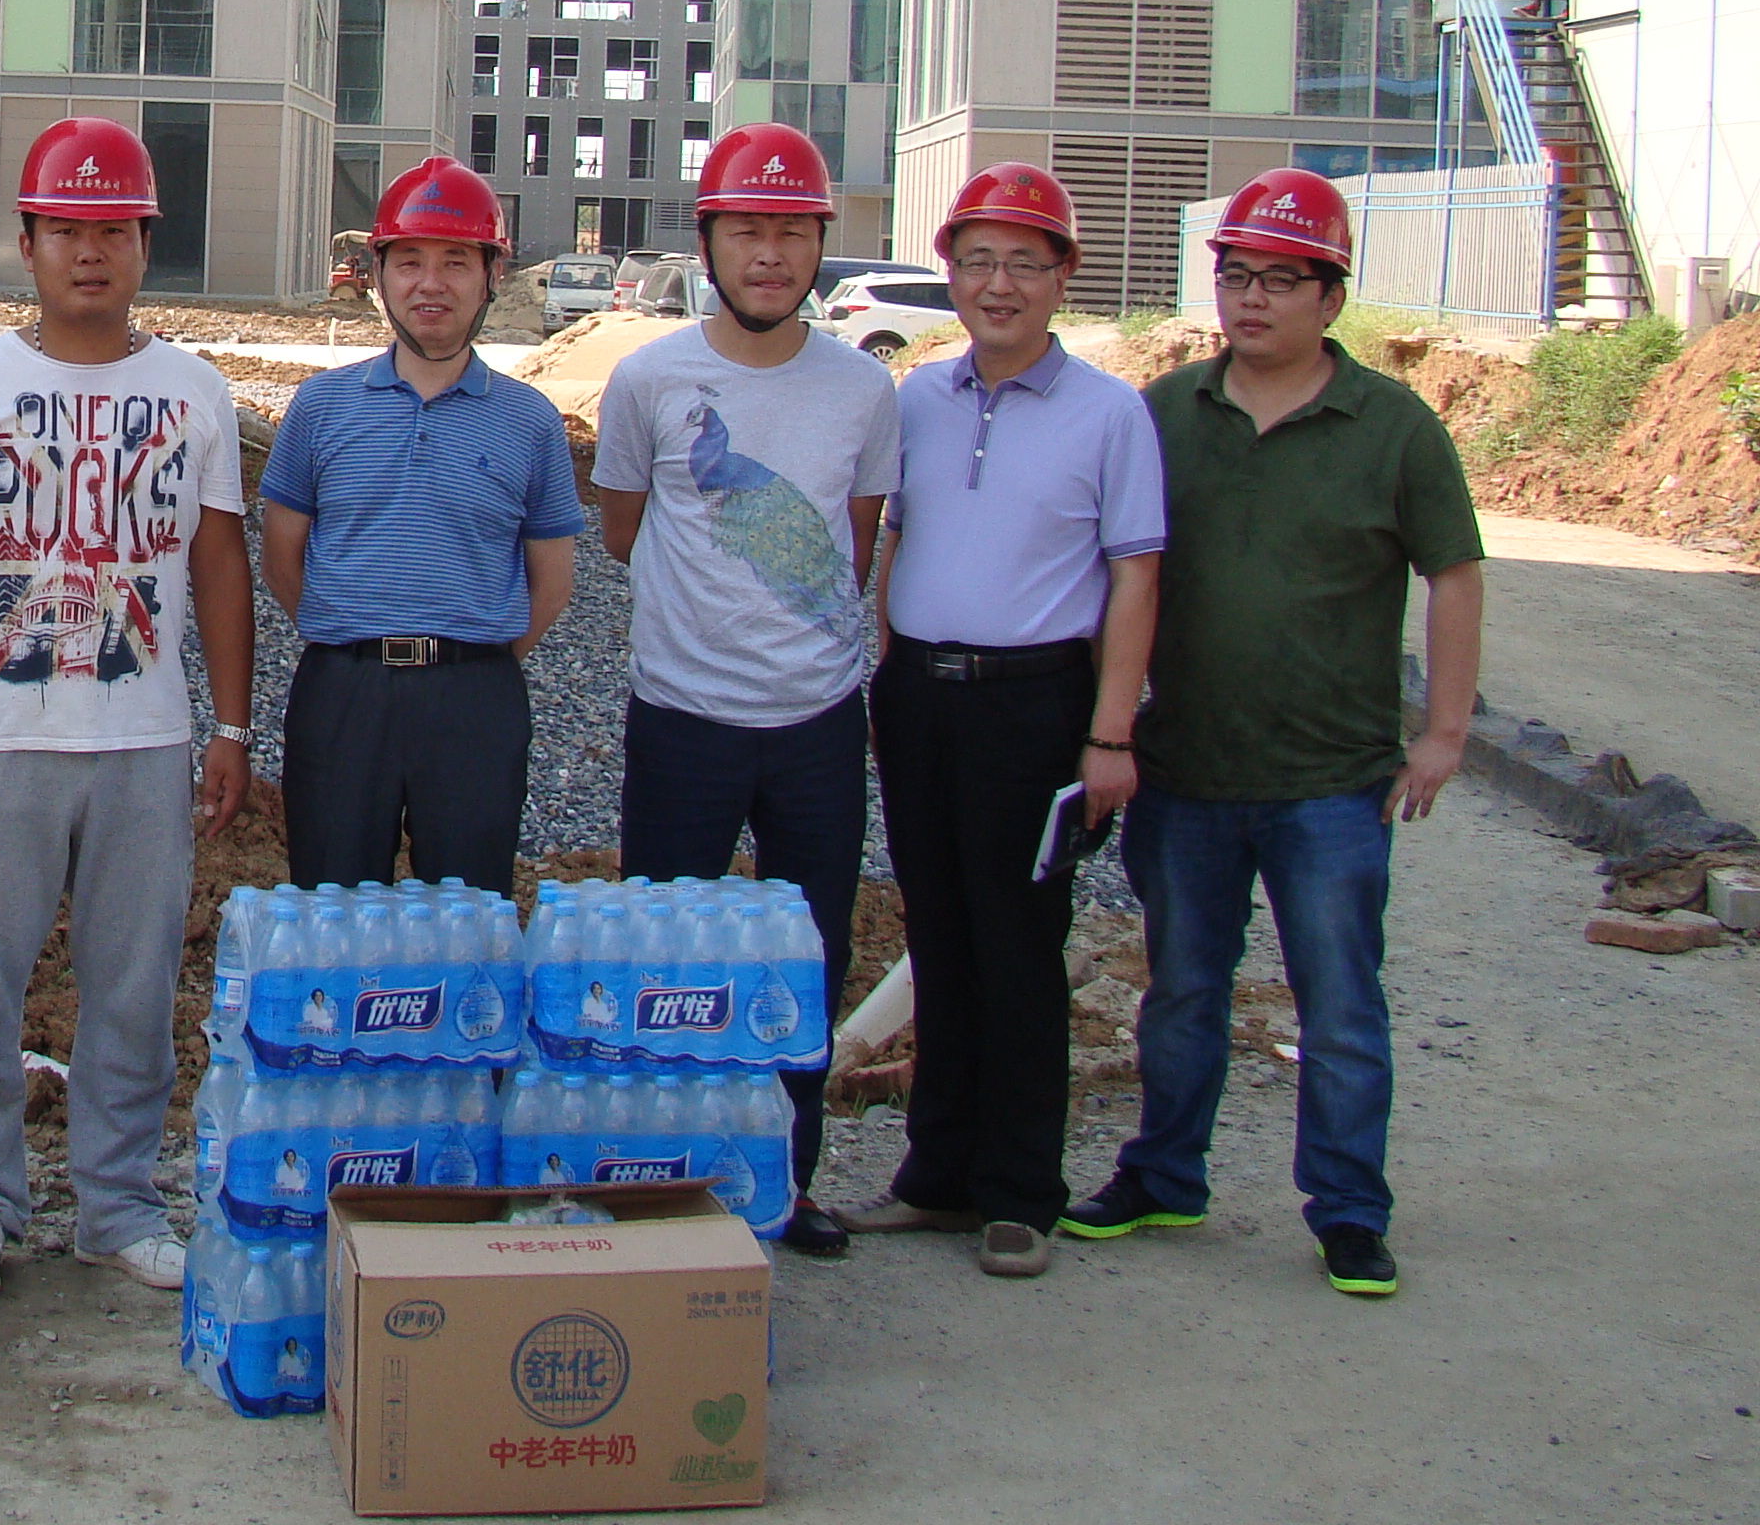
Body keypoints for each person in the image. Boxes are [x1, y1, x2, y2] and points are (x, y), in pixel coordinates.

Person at [1064, 171, 1483, 1299]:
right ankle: (1164, 1175)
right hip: (1185, 770)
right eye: (1236, 276)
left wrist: (1445, 731)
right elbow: (1111, 565)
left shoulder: (1393, 429)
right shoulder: (1165, 414)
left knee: (1339, 1005)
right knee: (1182, 991)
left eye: (1281, 281)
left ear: (1331, 298)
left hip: (1331, 784)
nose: (1251, 300)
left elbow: (1454, 575)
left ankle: (1348, 1212)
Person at [0, 118, 255, 1302]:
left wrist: (232, 729)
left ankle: (118, 1203)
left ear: (146, 242)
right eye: (65, 231)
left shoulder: (195, 392)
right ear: (28, 243)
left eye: (112, 231)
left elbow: (218, 569)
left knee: (135, 990)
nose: (88, 253)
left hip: (144, 740)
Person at [849, 163, 1163, 1279]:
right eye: (978, 260)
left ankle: (1022, 1189)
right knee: (938, 932)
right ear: (950, 272)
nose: (998, 285)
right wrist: (888, 669)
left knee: (1020, 945)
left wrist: (1111, 734)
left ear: (1062, 276)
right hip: (921, 698)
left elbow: (1135, 577)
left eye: (1025, 263)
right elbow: (891, 538)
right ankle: (937, 1175)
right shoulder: (915, 399)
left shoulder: (1110, 414)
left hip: (1036, 706)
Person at [592, 122, 896, 1261]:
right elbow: (624, 529)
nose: (770, 254)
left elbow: (851, 545)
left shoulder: (864, 388)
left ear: (820, 244)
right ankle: (665, 1176)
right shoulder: (650, 378)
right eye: (747, 231)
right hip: (682, 718)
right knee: (662, 959)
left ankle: (786, 1178)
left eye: (792, 232)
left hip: (818, 721)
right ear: (710, 242)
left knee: (805, 963)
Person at [258, 155, 580, 892]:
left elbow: (553, 583)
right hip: (344, 695)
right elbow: (281, 560)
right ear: (377, 274)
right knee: (333, 907)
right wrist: (355, 637)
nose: (431, 283)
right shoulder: (320, 408)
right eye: (409, 262)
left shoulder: (530, 422)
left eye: (456, 262)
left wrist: (470, 654)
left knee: (466, 914)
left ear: (492, 276)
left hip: (475, 700)